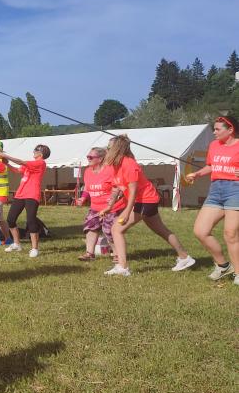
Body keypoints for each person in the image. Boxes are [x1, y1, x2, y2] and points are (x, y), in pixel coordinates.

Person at [103, 135, 195, 277]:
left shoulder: (129, 164)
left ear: (117, 149)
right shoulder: (116, 165)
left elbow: (133, 191)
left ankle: (122, 267)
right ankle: (185, 258)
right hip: (143, 201)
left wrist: (127, 212)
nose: (106, 149)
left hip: (146, 200)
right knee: (162, 230)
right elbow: (116, 188)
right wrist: (110, 206)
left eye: (108, 147)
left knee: (116, 229)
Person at [186, 116, 239, 285]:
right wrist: (196, 174)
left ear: (230, 130)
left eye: (217, 129)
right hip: (216, 190)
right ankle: (223, 265)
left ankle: (238, 273)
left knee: (230, 234)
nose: (214, 132)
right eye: (213, 129)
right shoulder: (214, 146)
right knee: (200, 231)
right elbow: (211, 166)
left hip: (235, 190)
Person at [1, 144, 50, 257]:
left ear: (40, 154)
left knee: (31, 220)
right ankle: (17, 244)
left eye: (35, 150)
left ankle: (34, 249)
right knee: (10, 219)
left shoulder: (40, 162)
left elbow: (21, 162)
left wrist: (6, 156)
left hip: (32, 194)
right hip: (20, 194)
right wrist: (6, 163)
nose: (33, 151)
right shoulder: (31, 165)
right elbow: (18, 170)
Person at [76, 147, 122, 262]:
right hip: (95, 207)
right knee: (90, 227)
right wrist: (83, 198)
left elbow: (118, 185)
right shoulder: (87, 171)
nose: (88, 159)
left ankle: (117, 255)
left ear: (100, 159)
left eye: (91, 157)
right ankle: (89, 253)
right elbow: (87, 187)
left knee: (109, 231)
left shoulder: (110, 170)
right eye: (87, 157)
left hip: (110, 208)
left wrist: (114, 199)